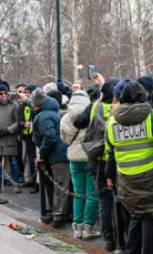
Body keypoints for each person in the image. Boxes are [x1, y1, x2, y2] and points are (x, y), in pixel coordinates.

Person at [106, 82, 153, 254]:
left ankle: (131, 250)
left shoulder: (112, 122)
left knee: (136, 214)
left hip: (126, 180)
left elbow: (111, 150)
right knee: (151, 216)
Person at [73, 73, 117, 251]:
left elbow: (78, 122)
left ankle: (108, 240)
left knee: (104, 202)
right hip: (118, 161)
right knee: (121, 201)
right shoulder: (120, 108)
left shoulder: (93, 107)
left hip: (98, 161)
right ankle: (123, 237)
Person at [60, 90, 101, 239]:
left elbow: (64, 139)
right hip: (90, 158)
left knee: (78, 193)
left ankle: (77, 228)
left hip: (74, 159)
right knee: (92, 193)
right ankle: (88, 227)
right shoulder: (92, 115)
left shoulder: (65, 118)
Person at [31, 89, 70, 229]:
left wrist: (42, 152)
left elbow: (50, 138)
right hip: (61, 153)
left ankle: (59, 216)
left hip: (57, 155)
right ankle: (60, 213)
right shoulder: (51, 112)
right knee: (61, 185)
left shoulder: (43, 116)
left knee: (60, 186)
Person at [0, 82, 21, 195]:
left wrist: (8, 130)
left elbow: (18, 122)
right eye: (0, 93)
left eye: (4, 93)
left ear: (8, 94)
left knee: (13, 162)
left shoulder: (14, 105)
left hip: (10, 138)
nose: (2, 95)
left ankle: (16, 184)